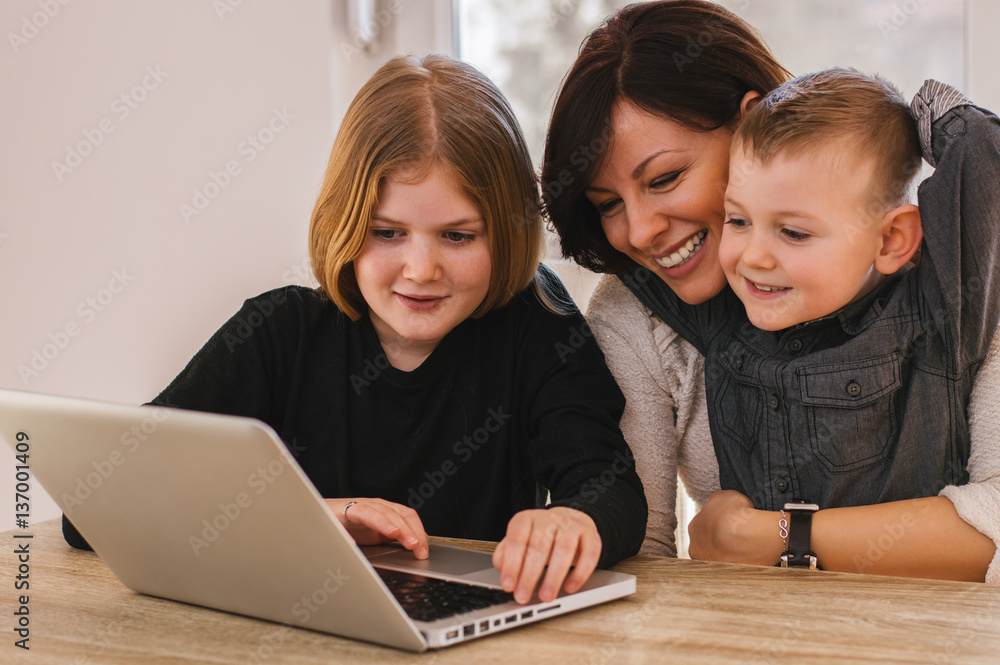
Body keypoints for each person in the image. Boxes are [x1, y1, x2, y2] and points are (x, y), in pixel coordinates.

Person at [63, 54, 647, 605]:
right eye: (388, 233)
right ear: (343, 221)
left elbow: (612, 487)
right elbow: (94, 504)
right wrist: (322, 516)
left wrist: (574, 521)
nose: (421, 270)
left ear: (508, 232)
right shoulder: (278, 333)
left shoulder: (538, 328)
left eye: (458, 236)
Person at [543, 0, 1000, 582]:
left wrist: (770, 537)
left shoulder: (960, 281)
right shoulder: (638, 307)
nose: (638, 232)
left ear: (749, 126)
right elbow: (642, 558)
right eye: (607, 204)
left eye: (665, 179)